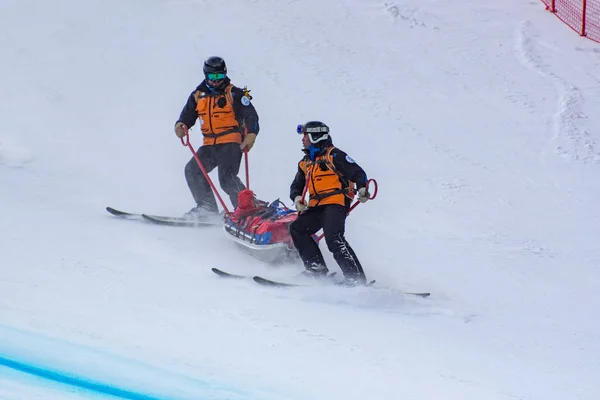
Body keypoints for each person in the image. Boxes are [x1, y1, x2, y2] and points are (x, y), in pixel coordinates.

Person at [174, 56, 259, 218]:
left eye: (219, 76)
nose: (216, 81)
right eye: (212, 77)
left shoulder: (234, 94)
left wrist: (251, 135)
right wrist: (180, 126)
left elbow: (251, 116)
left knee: (227, 177)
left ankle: (246, 209)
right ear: (206, 75)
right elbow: (187, 116)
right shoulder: (198, 95)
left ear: (224, 74)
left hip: (231, 142)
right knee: (193, 170)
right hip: (209, 144)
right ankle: (207, 207)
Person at [289, 121, 370, 285]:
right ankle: (316, 269)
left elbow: (358, 172)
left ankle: (356, 279)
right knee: (297, 228)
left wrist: (362, 188)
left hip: (335, 203)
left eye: (305, 135)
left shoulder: (334, 155)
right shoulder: (306, 162)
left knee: (334, 237)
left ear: (315, 135)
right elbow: (296, 186)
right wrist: (297, 199)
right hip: (316, 206)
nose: (303, 139)